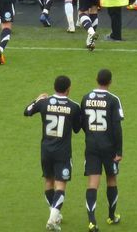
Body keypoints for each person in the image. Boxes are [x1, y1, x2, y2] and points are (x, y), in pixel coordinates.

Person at [23, 75, 82, 232]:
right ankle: (52, 219)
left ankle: (54, 214)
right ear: (68, 89)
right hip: (62, 152)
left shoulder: (44, 103)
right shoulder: (74, 107)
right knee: (60, 185)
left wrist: (37, 99)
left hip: (46, 150)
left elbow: (27, 112)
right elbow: (77, 129)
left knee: (49, 182)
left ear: (54, 87)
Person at [81, 68, 124, 231]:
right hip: (109, 147)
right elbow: (116, 127)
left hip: (91, 145)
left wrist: (92, 135)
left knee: (93, 182)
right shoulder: (113, 100)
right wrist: (119, 151)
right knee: (111, 179)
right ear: (110, 81)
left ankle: (92, 221)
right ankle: (112, 217)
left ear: (96, 79)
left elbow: (83, 123)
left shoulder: (86, 98)